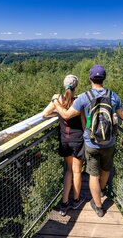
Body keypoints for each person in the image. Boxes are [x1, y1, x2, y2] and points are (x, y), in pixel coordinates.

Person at [53, 65, 123, 217]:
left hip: (91, 143)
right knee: (105, 170)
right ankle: (99, 193)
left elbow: (66, 115)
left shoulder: (84, 97)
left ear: (90, 79)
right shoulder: (113, 96)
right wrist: (118, 117)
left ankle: (98, 206)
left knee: (93, 174)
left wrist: (55, 102)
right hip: (109, 142)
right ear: (104, 78)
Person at [42, 75, 86, 216]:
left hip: (65, 140)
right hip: (78, 140)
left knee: (68, 171)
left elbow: (45, 114)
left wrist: (57, 112)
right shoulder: (78, 101)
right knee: (77, 171)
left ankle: (64, 202)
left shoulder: (58, 99)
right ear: (76, 86)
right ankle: (76, 199)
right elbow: (84, 124)